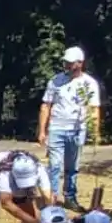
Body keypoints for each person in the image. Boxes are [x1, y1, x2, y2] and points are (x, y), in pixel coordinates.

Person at [38, 46, 101, 210]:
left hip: (77, 129)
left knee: (72, 167)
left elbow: (93, 109)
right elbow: (46, 105)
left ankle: (70, 197)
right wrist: (42, 130)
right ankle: (51, 197)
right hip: (57, 128)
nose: (67, 65)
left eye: (70, 62)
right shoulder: (55, 81)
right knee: (54, 165)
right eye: (65, 62)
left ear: (80, 63)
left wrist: (94, 131)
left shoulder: (89, 83)